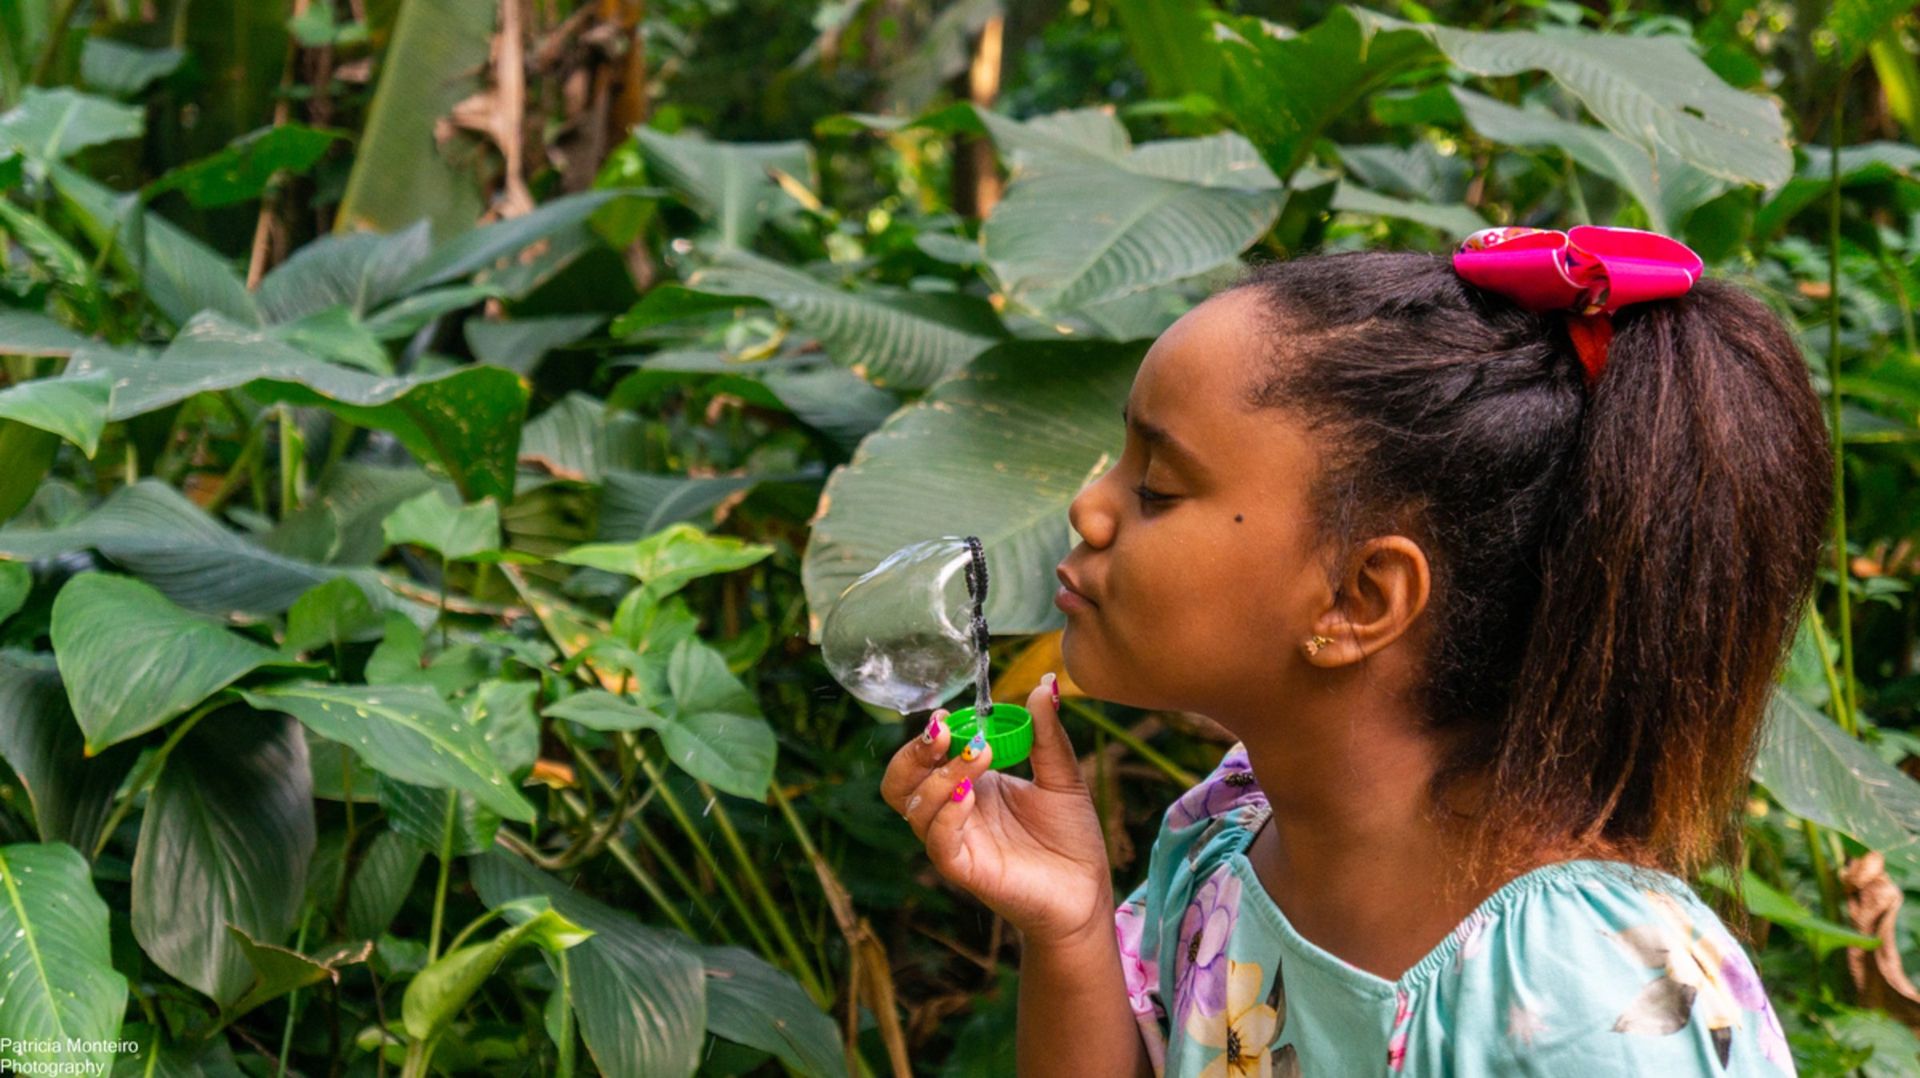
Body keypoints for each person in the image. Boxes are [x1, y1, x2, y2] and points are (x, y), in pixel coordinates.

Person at [880, 227, 1831, 1076]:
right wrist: (1072, 926)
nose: (1090, 509)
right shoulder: (1226, 839)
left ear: (1359, 599)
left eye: (1158, 486)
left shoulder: (1595, 996)